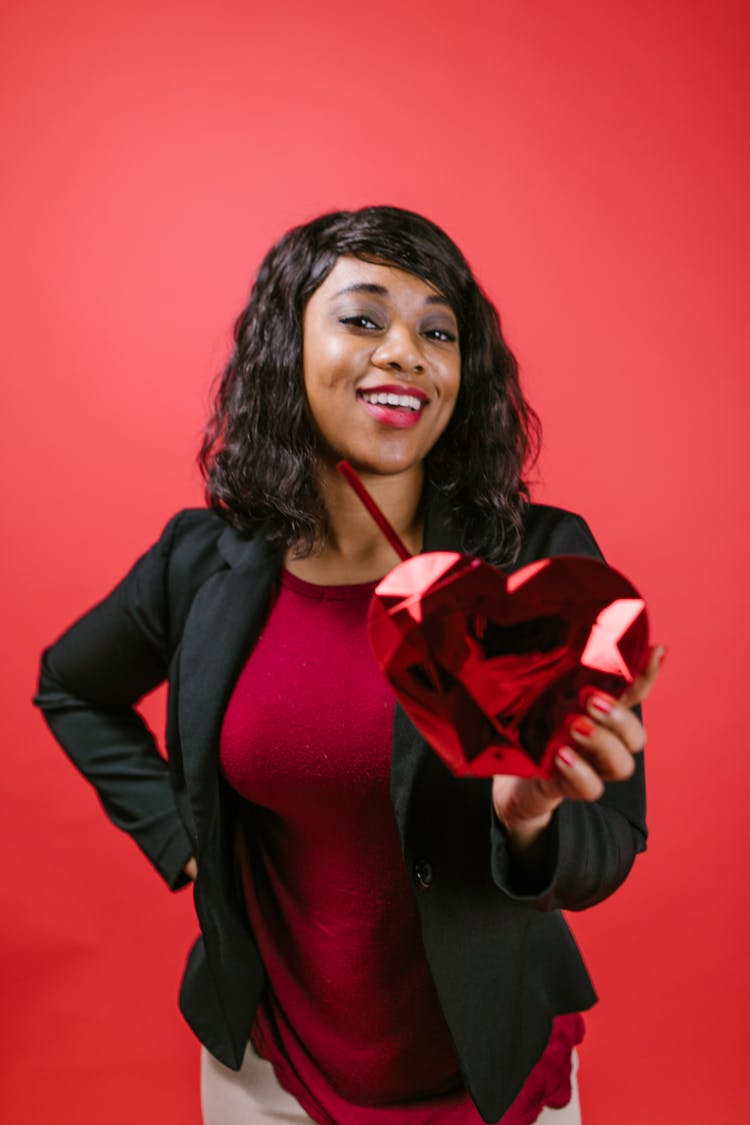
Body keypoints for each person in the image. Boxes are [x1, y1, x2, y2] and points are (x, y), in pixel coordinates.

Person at [34, 206, 663, 1125]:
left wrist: (529, 823)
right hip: (266, 1075)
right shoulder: (199, 561)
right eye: (364, 318)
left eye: (437, 331)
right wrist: (189, 841)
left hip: (493, 1075)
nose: (406, 350)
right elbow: (73, 686)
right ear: (285, 347)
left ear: (462, 373)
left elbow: (609, 843)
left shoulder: (538, 564)